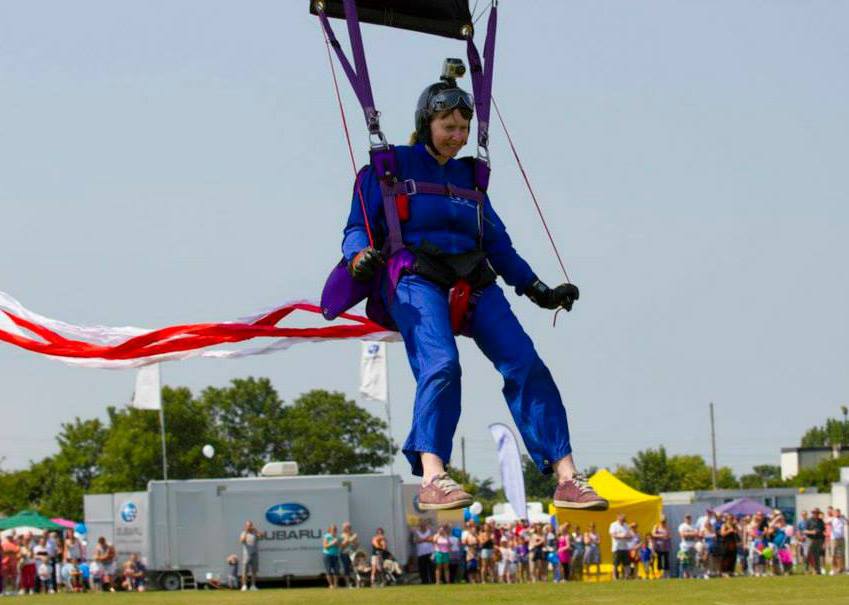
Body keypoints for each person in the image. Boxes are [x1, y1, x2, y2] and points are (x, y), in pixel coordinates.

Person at [338, 65, 606, 513]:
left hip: (474, 279)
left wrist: (537, 288)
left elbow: (497, 242)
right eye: (448, 127)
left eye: (463, 128)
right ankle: (433, 474)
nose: (457, 136)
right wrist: (359, 255)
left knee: (525, 363)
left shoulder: (470, 179)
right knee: (442, 364)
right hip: (415, 277)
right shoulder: (388, 169)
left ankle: (566, 477)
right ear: (428, 123)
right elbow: (354, 229)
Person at [609, 514, 632, 580]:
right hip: (616, 547)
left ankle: (627, 576)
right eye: (622, 518)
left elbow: (630, 535)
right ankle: (614, 577)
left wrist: (625, 536)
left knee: (626, 563)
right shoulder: (613, 525)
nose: (623, 520)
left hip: (625, 547)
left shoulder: (626, 525)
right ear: (618, 518)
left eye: (624, 519)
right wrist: (622, 536)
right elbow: (612, 534)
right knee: (615, 563)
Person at [239, 520, 259, 591]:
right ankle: (244, 585)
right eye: (248, 526)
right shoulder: (243, 533)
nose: (249, 527)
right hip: (246, 555)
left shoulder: (254, 533)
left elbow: (261, 536)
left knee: (254, 571)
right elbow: (242, 540)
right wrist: (246, 532)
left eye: (250, 525)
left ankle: (253, 586)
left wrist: (256, 530)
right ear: (245, 526)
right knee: (245, 571)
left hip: (255, 554)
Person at [413, 520, 435, 584]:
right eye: (421, 524)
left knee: (431, 567)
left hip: (430, 552)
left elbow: (432, 539)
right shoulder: (416, 532)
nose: (423, 525)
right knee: (422, 568)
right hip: (421, 553)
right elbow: (416, 540)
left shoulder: (430, 531)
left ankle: (433, 581)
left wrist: (422, 540)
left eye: (424, 524)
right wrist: (426, 539)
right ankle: (424, 581)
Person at [805, 508, 826, 574]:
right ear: (813, 513)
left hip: (819, 540)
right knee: (809, 554)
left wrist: (823, 541)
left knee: (816, 555)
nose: (816, 514)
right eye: (815, 513)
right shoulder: (809, 521)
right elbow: (804, 530)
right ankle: (807, 569)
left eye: (817, 513)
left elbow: (823, 531)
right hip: (810, 539)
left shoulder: (821, 521)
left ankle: (817, 570)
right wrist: (811, 532)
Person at [678, 514, 698, 579]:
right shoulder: (682, 526)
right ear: (684, 519)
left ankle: (691, 574)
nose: (688, 519)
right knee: (683, 561)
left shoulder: (694, 525)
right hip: (684, 546)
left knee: (692, 561)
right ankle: (683, 575)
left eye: (689, 518)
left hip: (693, 545)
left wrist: (687, 534)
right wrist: (692, 534)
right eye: (687, 518)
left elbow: (697, 534)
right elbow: (682, 535)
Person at [339, 522, 359, 588]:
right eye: (347, 527)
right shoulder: (341, 536)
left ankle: (357, 583)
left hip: (352, 554)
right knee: (346, 568)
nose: (349, 528)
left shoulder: (354, 535)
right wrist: (350, 539)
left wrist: (355, 541)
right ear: (344, 528)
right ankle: (348, 584)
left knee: (355, 568)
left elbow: (356, 546)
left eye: (349, 527)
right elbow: (342, 546)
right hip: (344, 554)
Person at [322, 524, 341, 589]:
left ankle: (336, 584)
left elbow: (339, 546)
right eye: (333, 529)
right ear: (330, 530)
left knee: (336, 570)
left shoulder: (337, 537)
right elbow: (325, 546)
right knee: (328, 570)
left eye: (335, 529)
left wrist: (337, 544)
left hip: (335, 555)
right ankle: (331, 585)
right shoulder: (327, 536)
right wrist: (332, 543)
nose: (335, 530)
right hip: (327, 555)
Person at [829, 508, 846, 575]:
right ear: (834, 513)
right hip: (834, 539)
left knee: (841, 554)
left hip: (841, 538)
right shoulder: (832, 519)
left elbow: (847, 522)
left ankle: (841, 569)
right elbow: (826, 521)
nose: (838, 514)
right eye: (836, 512)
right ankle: (833, 569)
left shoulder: (842, 519)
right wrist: (832, 516)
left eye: (839, 512)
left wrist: (844, 517)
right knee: (833, 554)